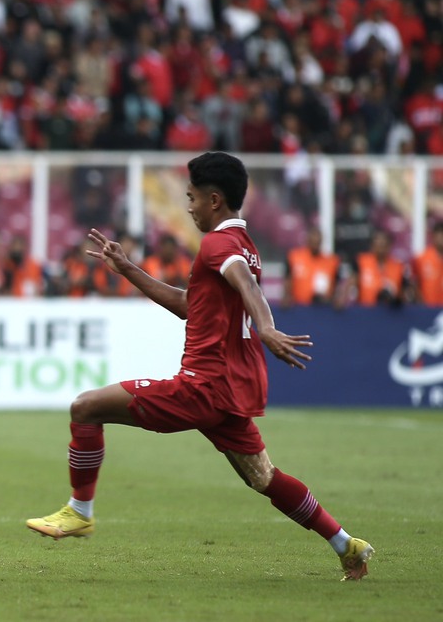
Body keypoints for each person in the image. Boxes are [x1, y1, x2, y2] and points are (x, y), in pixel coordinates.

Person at [25, 152, 374, 581]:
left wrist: (266, 327)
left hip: (202, 386)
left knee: (85, 407)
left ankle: (80, 511)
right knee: (264, 477)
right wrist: (128, 268)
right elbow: (191, 306)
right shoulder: (244, 245)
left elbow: (245, 286)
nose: (187, 206)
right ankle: (347, 544)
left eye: (191, 198)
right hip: (228, 392)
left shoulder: (219, 244)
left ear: (214, 200)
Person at [282, 225, 340, 307]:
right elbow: (288, 278)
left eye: (317, 241)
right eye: (313, 241)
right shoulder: (295, 257)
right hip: (299, 308)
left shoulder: (331, 262)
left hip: (323, 309)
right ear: (308, 240)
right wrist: (286, 296)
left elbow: (336, 284)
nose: (315, 244)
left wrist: (335, 299)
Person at [411, 222, 443, 306]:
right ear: (433, 237)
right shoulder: (421, 258)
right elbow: (414, 281)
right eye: (439, 235)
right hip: (428, 308)